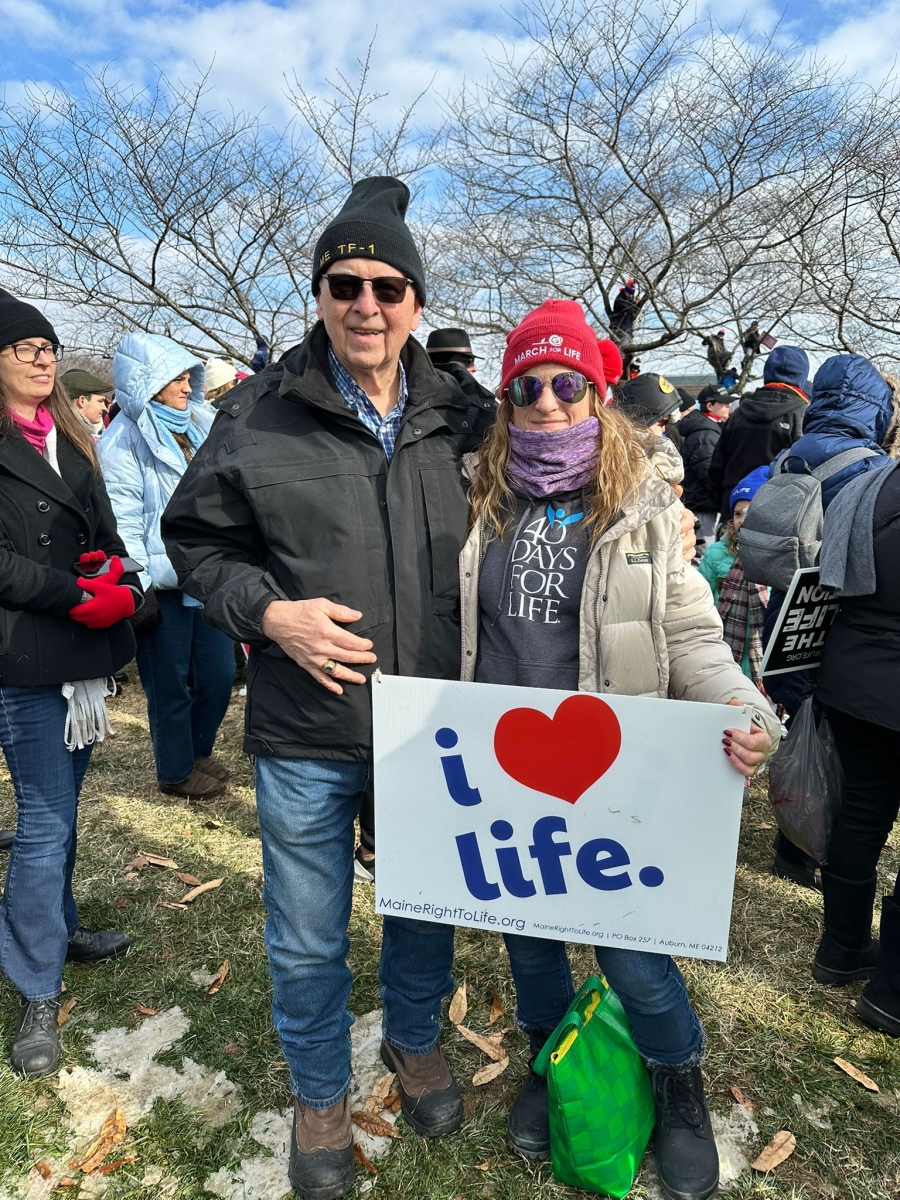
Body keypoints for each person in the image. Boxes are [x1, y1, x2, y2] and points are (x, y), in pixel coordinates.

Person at [162, 176, 497, 1200]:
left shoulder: (469, 419)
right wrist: (269, 614)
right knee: (307, 931)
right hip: (308, 730)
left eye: (388, 287)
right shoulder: (257, 415)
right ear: (318, 293)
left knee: (424, 907)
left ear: (416, 303)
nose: (366, 304)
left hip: (432, 727)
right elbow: (196, 542)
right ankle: (318, 1091)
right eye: (344, 283)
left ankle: (412, 1039)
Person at [460, 299, 778, 1200]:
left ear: (597, 395)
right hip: (504, 768)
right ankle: (551, 1055)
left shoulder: (644, 509)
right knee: (528, 938)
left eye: (570, 384)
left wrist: (745, 707)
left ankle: (679, 1083)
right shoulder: (474, 497)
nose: (550, 401)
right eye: (530, 384)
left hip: (615, 769)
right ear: (507, 395)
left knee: (633, 953)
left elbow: (692, 634)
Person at [0, 289, 138, 1077]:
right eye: (27, 346)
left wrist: (116, 573)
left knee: (63, 811)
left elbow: (106, 530)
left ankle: (58, 924)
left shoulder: (76, 439)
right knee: (47, 821)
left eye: (49, 345)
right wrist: (71, 594)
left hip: (84, 663)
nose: (45, 356)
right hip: (26, 654)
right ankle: (34, 985)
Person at [764, 356, 900, 889]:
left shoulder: (792, 455)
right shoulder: (866, 468)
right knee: (837, 756)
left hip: (788, 618)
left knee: (806, 735)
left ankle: (791, 839)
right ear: (876, 409)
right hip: (834, 626)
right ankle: (804, 847)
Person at [98, 333, 235, 800]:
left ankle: (198, 751)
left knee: (217, 677)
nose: (185, 384)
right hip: (162, 583)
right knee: (169, 684)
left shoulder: (199, 422)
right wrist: (138, 585)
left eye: (187, 375)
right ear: (148, 383)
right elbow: (122, 516)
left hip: (207, 574)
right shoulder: (122, 440)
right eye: (174, 376)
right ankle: (176, 771)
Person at [812, 452, 900, 1032]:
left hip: (852, 677)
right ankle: (893, 989)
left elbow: (827, 569)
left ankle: (841, 948)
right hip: (870, 677)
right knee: (862, 813)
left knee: (861, 814)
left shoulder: (869, 483)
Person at [707, 346, 809, 516]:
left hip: (733, 507)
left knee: (727, 544)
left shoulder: (739, 413)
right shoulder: (802, 414)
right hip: (777, 510)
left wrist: (723, 504)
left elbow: (717, 466)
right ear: (802, 375)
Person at [698, 468, 770, 681]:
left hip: (760, 649)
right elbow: (703, 599)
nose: (742, 520)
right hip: (725, 647)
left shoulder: (773, 559)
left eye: (749, 513)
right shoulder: (717, 553)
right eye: (738, 514)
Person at [680, 385, 730, 557]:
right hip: (702, 504)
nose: (728, 406)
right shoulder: (705, 434)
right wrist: (721, 497)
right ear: (709, 406)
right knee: (702, 555)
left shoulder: (710, 429)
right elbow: (708, 473)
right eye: (724, 403)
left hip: (703, 502)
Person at [425, 328, 496, 406]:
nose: (475, 368)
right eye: (469, 361)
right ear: (446, 366)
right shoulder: (484, 406)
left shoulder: (413, 399)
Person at [62, 368, 112, 440]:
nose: (104, 408)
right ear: (82, 401)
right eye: (100, 401)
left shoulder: (75, 432)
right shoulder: (68, 437)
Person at [610, 278, 638, 345]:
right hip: (620, 329)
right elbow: (629, 309)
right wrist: (635, 303)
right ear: (626, 291)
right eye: (629, 293)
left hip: (627, 329)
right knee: (621, 349)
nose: (630, 296)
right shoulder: (620, 300)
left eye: (631, 294)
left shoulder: (627, 300)